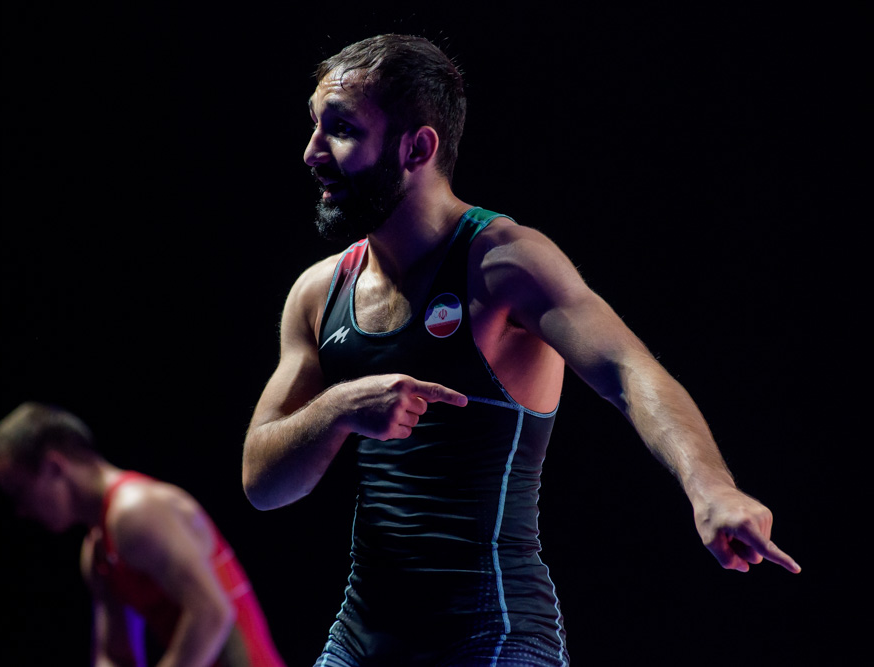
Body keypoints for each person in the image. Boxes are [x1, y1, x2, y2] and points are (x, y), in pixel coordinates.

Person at [240, 34, 800, 667]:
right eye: (315, 126)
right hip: (360, 641)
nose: (312, 152)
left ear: (416, 148)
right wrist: (339, 407)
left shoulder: (504, 263)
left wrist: (712, 488)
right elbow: (262, 483)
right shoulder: (319, 292)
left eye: (340, 129)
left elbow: (627, 370)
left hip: (494, 636)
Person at [0, 401, 286, 667]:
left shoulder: (135, 511)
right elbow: (115, 655)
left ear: (54, 467)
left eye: (19, 492)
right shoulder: (97, 551)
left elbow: (212, 613)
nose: (21, 510)